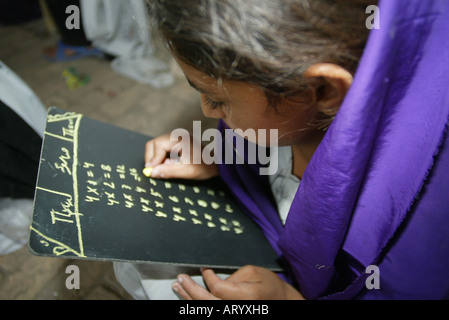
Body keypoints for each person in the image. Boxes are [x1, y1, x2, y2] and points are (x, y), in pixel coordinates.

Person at [114, 0, 449, 299]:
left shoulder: (421, 227)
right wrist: (220, 158)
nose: (206, 112)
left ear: (320, 90)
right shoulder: (286, 109)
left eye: (218, 100)